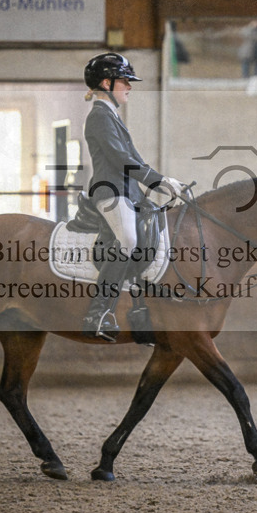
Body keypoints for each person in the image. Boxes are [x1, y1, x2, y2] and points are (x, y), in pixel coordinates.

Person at [81, 52, 185, 341]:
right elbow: (120, 159)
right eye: (124, 81)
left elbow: (135, 159)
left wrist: (164, 184)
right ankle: (98, 312)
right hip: (110, 192)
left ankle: (141, 313)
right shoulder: (99, 116)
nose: (129, 86)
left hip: (129, 193)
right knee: (127, 239)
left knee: (154, 234)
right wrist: (158, 180)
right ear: (106, 83)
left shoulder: (112, 116)